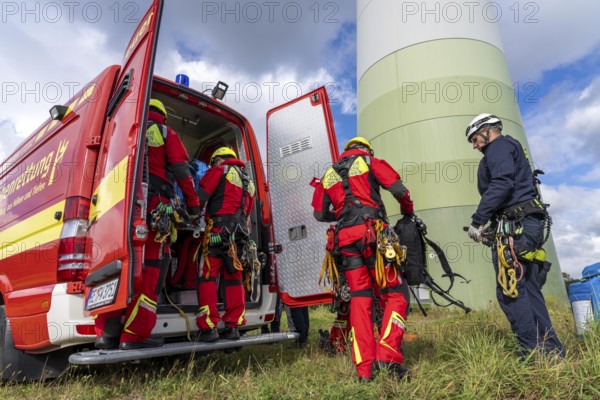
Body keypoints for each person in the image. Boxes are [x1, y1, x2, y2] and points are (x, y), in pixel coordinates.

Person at [94, 98, 201, 350]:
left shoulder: (120, 135)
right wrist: (193, 204)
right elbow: (182, 170)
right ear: (162, 115)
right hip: (153, 208)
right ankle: (135, 335)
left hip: (117, 211)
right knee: (152, 268)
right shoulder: (165, 132)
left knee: (115, 270)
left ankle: (106, 334)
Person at [313, 137, 414, 382]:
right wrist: (407, 212)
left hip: (345, 241)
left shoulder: (329, 173)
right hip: (372, 234)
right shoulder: (369, 160)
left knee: (359, 301)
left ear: (345, 151)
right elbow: (400, 190)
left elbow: (319, 214)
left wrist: (342, 212)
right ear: (366, 149)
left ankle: (364, 371)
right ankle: (387, 356)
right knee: (397, 294)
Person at [465, 113, 564, 359]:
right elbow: (512, 193)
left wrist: (478, 221)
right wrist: (493, 227)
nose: (475, 145)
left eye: (475, 138)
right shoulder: (510, 147)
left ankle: (531, 354)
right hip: (523, 225)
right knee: (528, 290)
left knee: (510, 291)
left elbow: (502, 184)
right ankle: (551, 352)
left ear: (488, 130)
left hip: (516, 228)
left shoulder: (498, 147)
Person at [195, 147, 256, 342]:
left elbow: (200, 198)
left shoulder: (219, 170)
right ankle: (233, 327)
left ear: (219, 159)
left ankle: (209, 327)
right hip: (238, 238)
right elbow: (247, 211)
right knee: (234, 278)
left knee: (207, 276)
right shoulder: (250, 183)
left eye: (213, 162)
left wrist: (189, 213)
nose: (212, 166)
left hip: (217, 232)